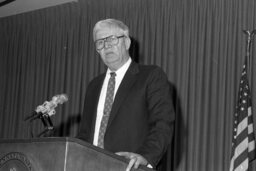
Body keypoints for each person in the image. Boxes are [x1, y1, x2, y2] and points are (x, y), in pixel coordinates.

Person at [77, 18, 175, 171]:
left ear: (127, 42)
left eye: (112, 39)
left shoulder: (151, 76)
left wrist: (146, 157)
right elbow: (84, 134)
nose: (106, 45)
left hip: (130, 167)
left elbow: (162, 123)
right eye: (100, 42)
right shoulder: (93, 86)